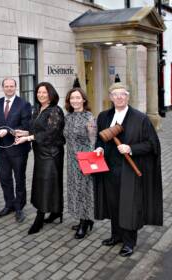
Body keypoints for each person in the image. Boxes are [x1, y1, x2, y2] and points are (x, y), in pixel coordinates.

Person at [94, 82, 163, 257]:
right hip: (109, 169)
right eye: (115, 94)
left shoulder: (140, 118)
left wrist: (131, 148)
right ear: (110, 97)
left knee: (129, 206)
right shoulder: (103, 116)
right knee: (113, 203)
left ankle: (129, 242)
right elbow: (100, 139)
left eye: (122, 94)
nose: (119, 97)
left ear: (128, 97)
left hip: (130, 170)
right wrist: (99, 148)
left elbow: (152, 144)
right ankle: (116, 236)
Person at [15, 82, 65, 234]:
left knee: (46, 184)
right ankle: (56, 211)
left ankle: (40, 218)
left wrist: (28, 138)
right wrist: (24, 133)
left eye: (44, 92)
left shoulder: (55, 110)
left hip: (51, 153)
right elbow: (35, 128)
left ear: (51, 94)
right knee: (43, 183)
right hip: (40, 152)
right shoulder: (37, 108)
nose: (41, 95)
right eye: (39, 92)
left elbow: (51, 133)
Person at [0, 78, 31, 223]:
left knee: (19, 179)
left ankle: (19, 208)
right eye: (6, 86)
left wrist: (7, 131)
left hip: (18, 148)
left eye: (11, 86)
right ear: (2, 88)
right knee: (5, 179)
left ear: (15, 87)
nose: (9, 88)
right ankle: (9, 204)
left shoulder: (24, 104)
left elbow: (26, 125)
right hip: (2, 149)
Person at [63, 88, 96, 239]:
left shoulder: (89, 117)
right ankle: (86, 219)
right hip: (71, 160)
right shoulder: (68, 117)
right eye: (72, 98)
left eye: (78, 98)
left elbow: (93, 141)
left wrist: (89, 162)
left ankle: (84, 222)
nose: (75, 100)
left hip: (85, 158)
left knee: (84, 191)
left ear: (83, 100)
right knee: (75, 189)